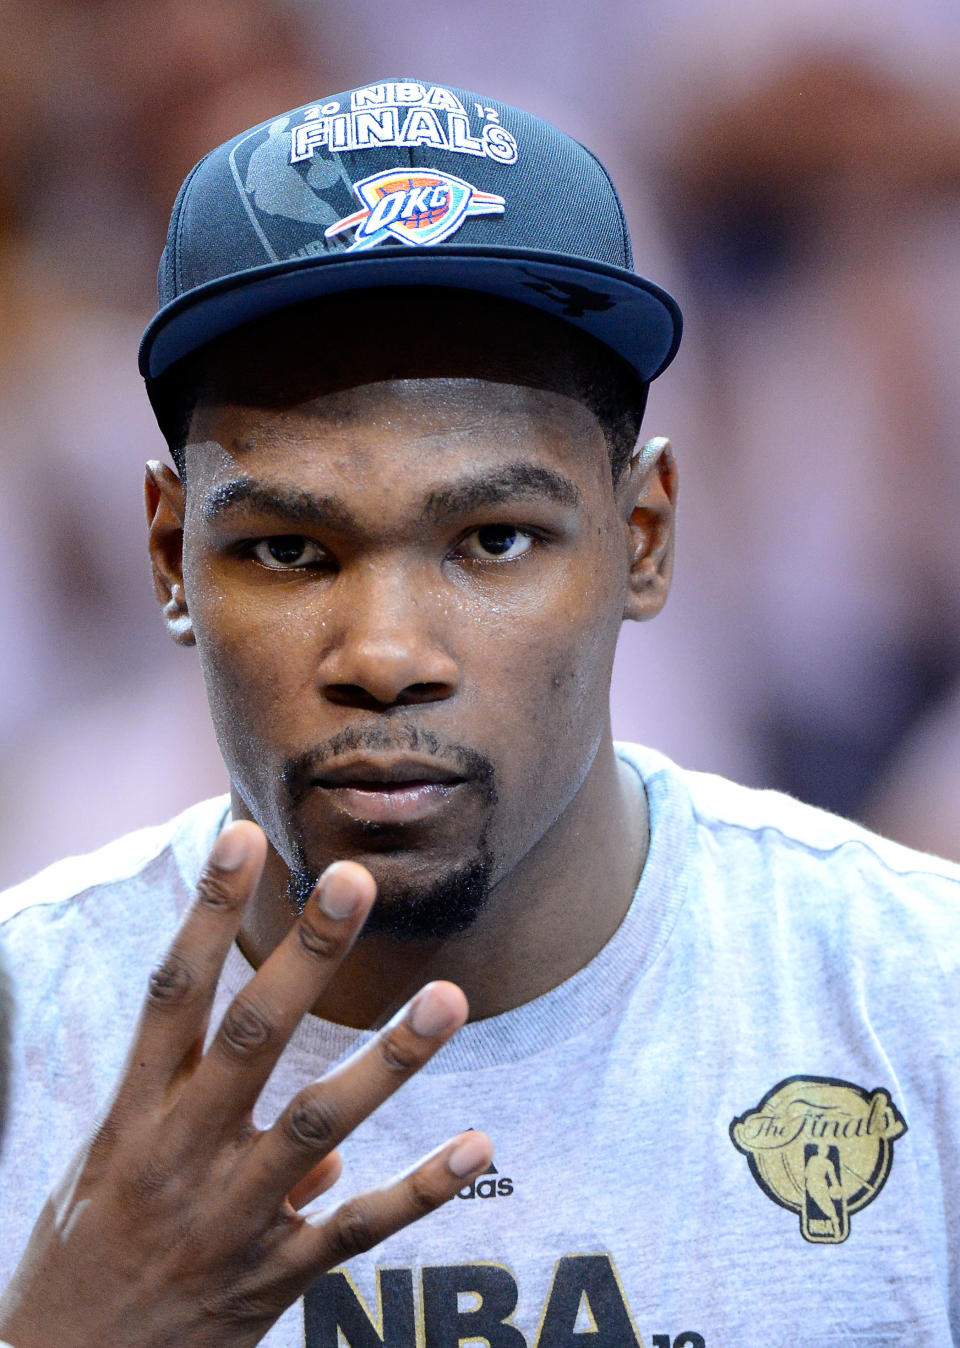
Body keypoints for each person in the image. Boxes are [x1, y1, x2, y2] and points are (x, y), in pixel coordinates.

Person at [0, 77, 957, 1347]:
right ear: (172, 560)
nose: (386, 655)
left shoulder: (920, 1003)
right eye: (289, 549)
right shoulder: (22, 1036)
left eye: (493, 538)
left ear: (645, 540)